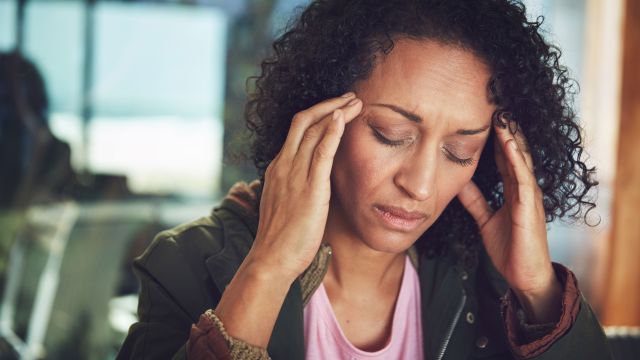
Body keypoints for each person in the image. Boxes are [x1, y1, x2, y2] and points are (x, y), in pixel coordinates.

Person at [117, 0, 613, 359]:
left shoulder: (488, 281)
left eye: (459, 151)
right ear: (320, 115)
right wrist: (268, 268)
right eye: (391, 133)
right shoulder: (186, 263)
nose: (420, 185)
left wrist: (537, 290)